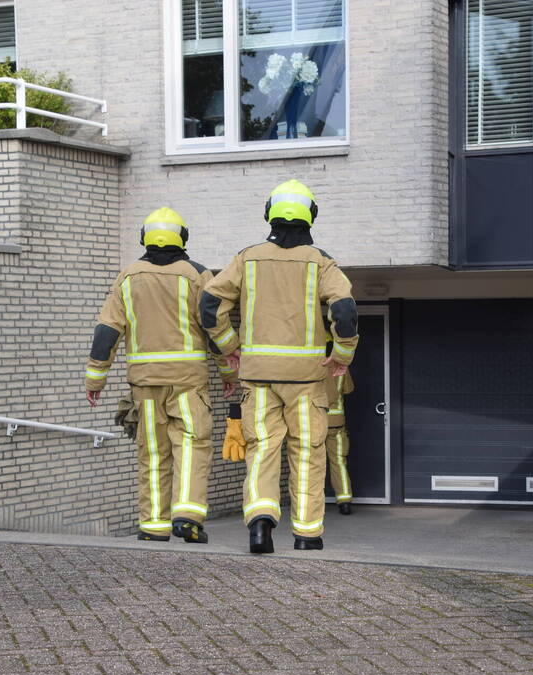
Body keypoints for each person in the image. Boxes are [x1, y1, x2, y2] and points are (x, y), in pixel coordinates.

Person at [201, 179, 358, 553]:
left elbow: (209, 305)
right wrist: (342, 355)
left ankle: (260, 526)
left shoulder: (247, 258)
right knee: (307, 453)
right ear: (311, 216)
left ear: (269, 214)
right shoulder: (321, 262)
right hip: (306, 380)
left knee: (262, 450)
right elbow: (344, 311)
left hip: (258, 379)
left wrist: (231, 347)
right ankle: (307, 534)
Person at [85, 207, 235, 543]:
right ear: (183, 237)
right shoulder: (198, 275)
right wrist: (228, 371)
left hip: (145, 383)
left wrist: (95, 379)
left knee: (153, 453)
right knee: (192, 446)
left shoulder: (127, 277)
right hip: (188, 382)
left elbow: (107, 331)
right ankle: (188, 517)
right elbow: (213, 326)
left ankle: (153, 525)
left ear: (144, 238)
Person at [323, 333, 355, 515]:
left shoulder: (312, 367)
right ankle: (344, 501)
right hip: (337, 423)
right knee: (339, 462)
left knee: (312, 463)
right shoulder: (340, 367)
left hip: (315, 422)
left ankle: (312, 504)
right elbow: (348, 389)